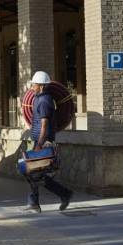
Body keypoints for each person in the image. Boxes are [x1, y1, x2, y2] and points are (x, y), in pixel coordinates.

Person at [25, 71, 73, 213]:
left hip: (44, 142)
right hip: (40, 140)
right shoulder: (39, 98)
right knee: (33, 173)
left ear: (40, 86)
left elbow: (44, 124)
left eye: (34, 84)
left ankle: (63, 194)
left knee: (35, 174)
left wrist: (40, 144)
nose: (32, 86)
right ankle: (34, 202)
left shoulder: (44, 101)